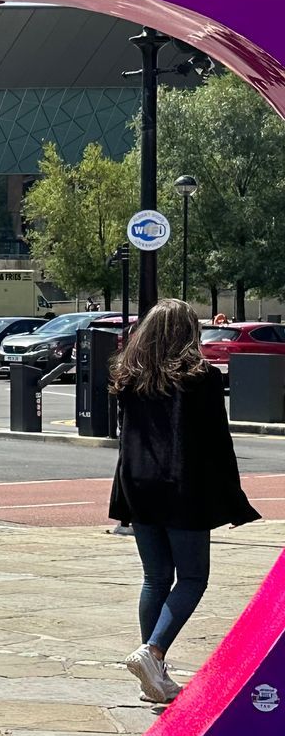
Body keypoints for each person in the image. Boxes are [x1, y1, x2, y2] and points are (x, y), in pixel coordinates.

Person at [109, 298, 259, 706]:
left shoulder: (128, 377)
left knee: (155, 577)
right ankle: (153, 653)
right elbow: (217, 442)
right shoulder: (201, 378)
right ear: (187, 333)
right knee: (192, 578)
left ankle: (152, 674)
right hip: (182, 486)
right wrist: (233, 498)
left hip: (136, 484)